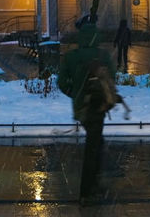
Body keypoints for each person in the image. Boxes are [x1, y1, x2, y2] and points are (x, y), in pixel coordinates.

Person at [58, 23, 116, 202]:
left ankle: (94, 185)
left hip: (82, 107)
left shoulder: (71, 57)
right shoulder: (104, 55)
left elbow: (62, 82)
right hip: (99, 107)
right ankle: (87, 191)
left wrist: (75, 93)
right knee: (93, 147)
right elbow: (112, 78)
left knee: (96, 142)